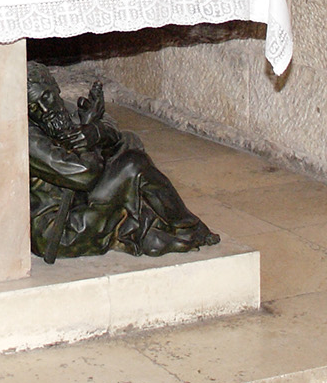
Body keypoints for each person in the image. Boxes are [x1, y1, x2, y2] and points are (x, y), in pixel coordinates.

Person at [24, 63, 218, 263]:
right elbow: (85, 175)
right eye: (33, 106)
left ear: (55, 87)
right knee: (133, 164)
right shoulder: (28, 139)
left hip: (77, 202)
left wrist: (96, 131)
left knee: (129, 141)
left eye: (46, 96)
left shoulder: (62, 109)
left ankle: (144, 230)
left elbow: (114, 134)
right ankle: (187, 228)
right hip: (61, 230)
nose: (45, 108)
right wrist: (88, 130)